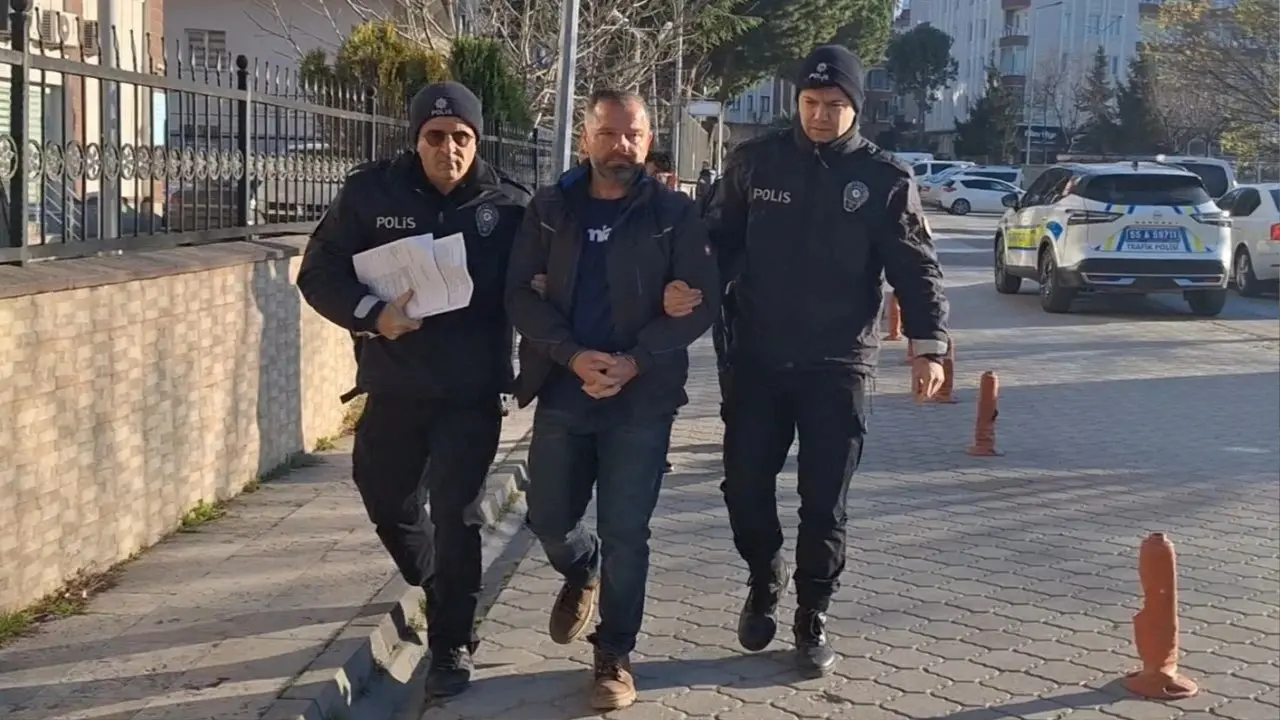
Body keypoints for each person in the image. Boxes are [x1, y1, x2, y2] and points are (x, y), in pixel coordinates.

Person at [704, 45, 951, 676]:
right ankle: (764, 575)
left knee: (824, 501)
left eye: (834, 105)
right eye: (810, 102)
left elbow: (915, 267)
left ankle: (812, 613)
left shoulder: (884, 179)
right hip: (756, 358)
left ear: (855, 108)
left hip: (838, 365)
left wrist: (929, 347)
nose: (819, 114)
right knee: (745, 487)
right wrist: (686, 296)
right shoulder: (755, 163)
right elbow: (716, 242)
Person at [296, 81, 530, 698]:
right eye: (435, 136)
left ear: (477, 141)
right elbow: (317, 272)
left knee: (457, 514)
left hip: (470, 393)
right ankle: (438, 585)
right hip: (394, 383)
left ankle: (452, 642)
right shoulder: (370, 194)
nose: (448, 149)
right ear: (415, 138)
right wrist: (373, 314)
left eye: (461, 137)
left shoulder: (509, 205)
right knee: (386, 500)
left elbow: (542, 286)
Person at [505, 89, 719, 711]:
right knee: (549, 519)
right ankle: (582, 570)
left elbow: (700, 301)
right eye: (609, 134)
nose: (622, 145)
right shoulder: (550, 207)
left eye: (634, 134)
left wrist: (636, 360)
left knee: (626, 531)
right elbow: (518, 295)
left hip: (641, 398)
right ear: (586, 139)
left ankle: (614, 654)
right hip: (565, 388)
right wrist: (573, 356)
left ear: (649, 140)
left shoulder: (674, 213)